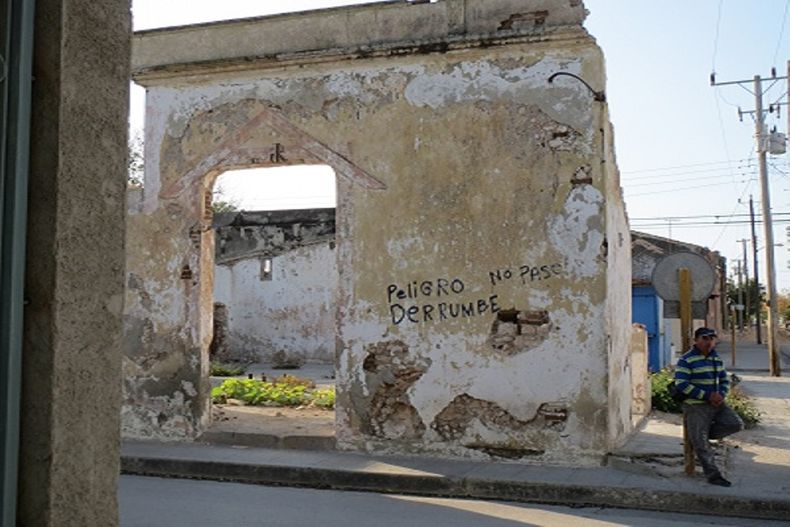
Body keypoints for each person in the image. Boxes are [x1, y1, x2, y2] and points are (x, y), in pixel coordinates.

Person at [674, 327, 744, 487]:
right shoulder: (686, 359)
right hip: (696, 406)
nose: (709, 342)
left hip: (716, 403)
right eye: (705, 338)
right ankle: (713, 475)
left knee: (735, 424)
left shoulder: (716, 359)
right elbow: (682, 384)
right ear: (696, 340)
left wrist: (721, 395)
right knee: (701, 445)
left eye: (712, 338)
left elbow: (724, 380)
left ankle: (701, 435)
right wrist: (706, 396)